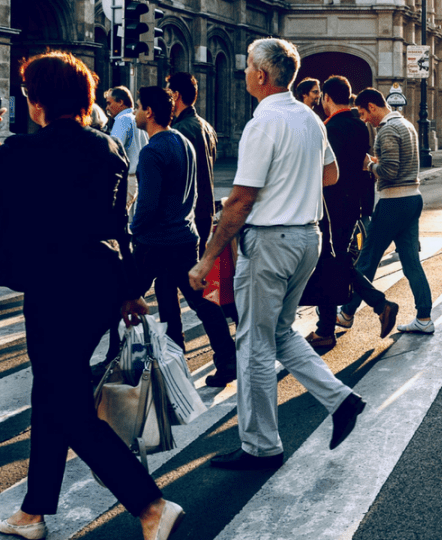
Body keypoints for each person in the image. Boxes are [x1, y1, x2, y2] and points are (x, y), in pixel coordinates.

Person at [0, 51, 183, 540]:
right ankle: (33, 512)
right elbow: (117, 227)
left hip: (52, 289)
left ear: (38, 100)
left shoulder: (18, 153)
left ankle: (150, 505)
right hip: (99, 286)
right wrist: (127, 290)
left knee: (67, 405)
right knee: (52, 393)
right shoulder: (106, 148)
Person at [188, 38, 367, 470]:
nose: (245, 70)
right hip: (307, 237)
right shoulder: (310, 119)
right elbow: (331, 174)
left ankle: (260, 446)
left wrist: (207, 257)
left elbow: (241, 200)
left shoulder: (262, 124)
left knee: (252, 344)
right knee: (281, 333)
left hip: (270, 241)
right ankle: (340, 400)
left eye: (248, 65)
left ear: (261, 75)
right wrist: (293, 184)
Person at [129, 86, 238, 386]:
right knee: (198, 300)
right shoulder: (183, 142)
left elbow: (147, 204)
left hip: (154, 242)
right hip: (184, 236)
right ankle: (226, 359)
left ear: (149, 112)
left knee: (124, 295)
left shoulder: (152, 151)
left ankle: (120, 360)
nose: (136, 112)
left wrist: (133, 230)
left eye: (138, 107)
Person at [306, 76, 399, 348]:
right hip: (353, 205)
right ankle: (327, 328)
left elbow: (326, 171)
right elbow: (362, 167)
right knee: (334, 261)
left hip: (330, 205)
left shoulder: (328, 128)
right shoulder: (361, 127)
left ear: (326, 98)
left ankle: (376, 306)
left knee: (331, 261)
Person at [339, 88, 435, 334]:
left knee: (368, 259)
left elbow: (390, 171)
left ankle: (348, 313)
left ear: (372, 106)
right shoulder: (406, 125)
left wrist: (369, 164)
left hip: (393, 201)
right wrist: (377, 162)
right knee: (411, 262)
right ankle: (424, 318)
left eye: (363, 112)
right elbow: (397, 163)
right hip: (412, 198)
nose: (363, 119)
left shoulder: (388, 129)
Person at [166, 72, 217, 254]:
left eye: (168, 92)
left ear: (176, 95)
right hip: (205, 210)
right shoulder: (207, 127)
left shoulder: (178, 130)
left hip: (185, 215)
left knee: (170, 277)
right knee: (194, 272)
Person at [105, 85, 148, 206]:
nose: (107, 108)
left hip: (127, 180)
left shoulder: (122, 119)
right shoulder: (138, 118)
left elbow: (113, 149)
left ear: (120, 102)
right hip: (139, 179)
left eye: (109, 103)